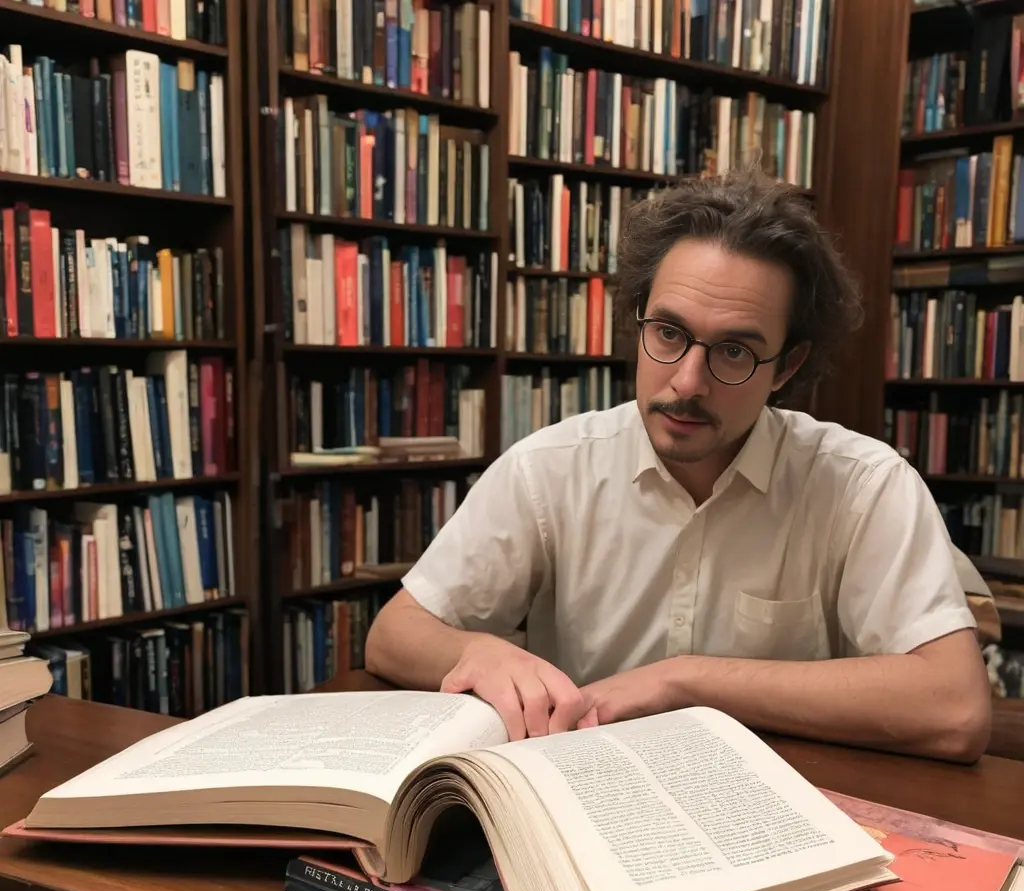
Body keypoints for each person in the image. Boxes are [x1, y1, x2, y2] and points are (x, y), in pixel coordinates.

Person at [364, 168, 992, 764]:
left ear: (788, 366)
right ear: (638, 320)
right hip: (580, 785)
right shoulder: (550, 469)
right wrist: (478, 651)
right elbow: (394, 634)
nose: (688, 382)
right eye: (668, 332)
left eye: (735, 350)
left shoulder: (862, 484)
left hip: (777, 799)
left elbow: (955, 709)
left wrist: (684, 681)